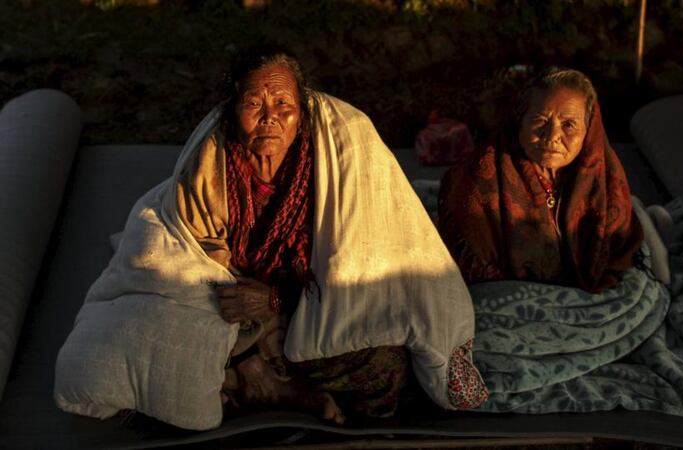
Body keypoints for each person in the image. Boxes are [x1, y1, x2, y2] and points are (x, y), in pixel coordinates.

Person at [175, 49, 409, 424]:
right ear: (233, 114)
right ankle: (263, 380)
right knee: (170, 344)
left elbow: (362, 269)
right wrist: (246, 344)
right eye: (254, 103)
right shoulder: (210, 169)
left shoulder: (337, 165)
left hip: (316, 303)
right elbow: (196, 265)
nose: (269, 116)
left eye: (283, 103)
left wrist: (278, 300)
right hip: (237, 313)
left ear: (301, 116)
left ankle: (273, 391)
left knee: (382, 361)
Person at [437, 67, 643, 292]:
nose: (552, 136)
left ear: (588, 130)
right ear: (520, 122)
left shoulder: (604, 178)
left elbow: (619, 250)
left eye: (569, 125)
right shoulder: (479, 180)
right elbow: (476, 270)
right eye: (540, 120)